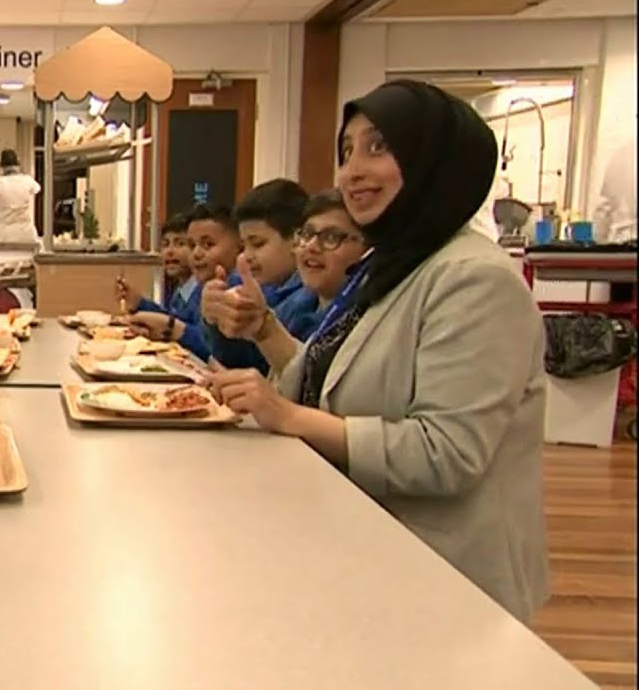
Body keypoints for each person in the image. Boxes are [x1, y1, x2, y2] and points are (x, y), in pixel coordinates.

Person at [208, 79, 550, 623]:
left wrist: (290, 416)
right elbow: (335, 384)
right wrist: (263, 329)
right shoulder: (392, 264)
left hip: (446, 580)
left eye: (379, 147)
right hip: (364, 546)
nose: (352, 172)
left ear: (437, 159)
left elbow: (448, 453)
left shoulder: (475, 280)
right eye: (347, 152)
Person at [204, 189, 368, 373]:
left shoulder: (364, 320)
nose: (312, 246)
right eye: (306, 234)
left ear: (367, 250)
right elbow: (251, 363)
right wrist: (218, 320)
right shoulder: (299, 305)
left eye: (331, 237)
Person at [200, 179, 317, 375]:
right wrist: (216, 319)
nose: (247, 256)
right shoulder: (268, 288)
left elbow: (260, 368)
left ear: (297, 239)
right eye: (245, 245)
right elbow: (239, 359)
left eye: (258, 244)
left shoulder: (307, 297)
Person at [122, 204, 239, 359]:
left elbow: (216, 353)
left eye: (208, 245)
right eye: (192, 245)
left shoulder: (238, 289)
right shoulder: (196, 287)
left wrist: (172, 328)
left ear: (240, 247)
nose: (196, 253)